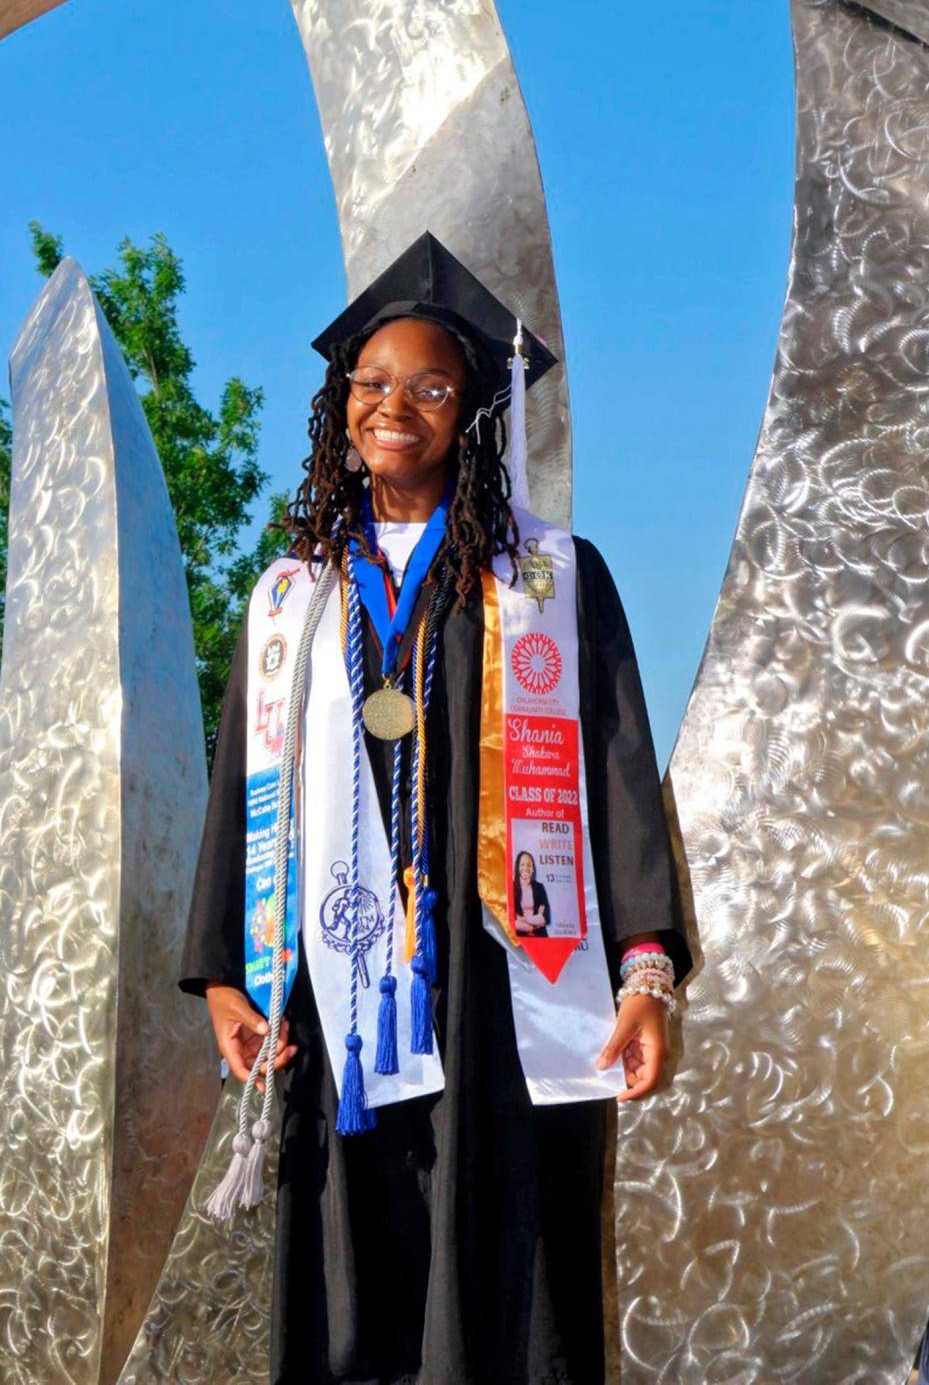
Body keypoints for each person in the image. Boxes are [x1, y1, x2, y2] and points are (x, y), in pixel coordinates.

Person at [180, 232, 692, 1385]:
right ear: (340, 407)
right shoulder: (291, 597)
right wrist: (228, 972)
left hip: (507, 988)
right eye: (371, 383)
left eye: (428, 384)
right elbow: (242, 793)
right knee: (349, 1280)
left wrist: (647, 968)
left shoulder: (550, 577)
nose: (393, 404)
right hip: (338, 988)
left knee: (507, 1273)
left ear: (471, 413)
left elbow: (617, 768)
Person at [513, 851, 550, 937]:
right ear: (517, 867)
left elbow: (546, 918)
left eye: (529, 865)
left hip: (540, 937)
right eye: (522, 865)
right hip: (519, 940)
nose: (526, 868)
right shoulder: (511, 888)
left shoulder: (539, 887)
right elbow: (511, 922)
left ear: (533, 868)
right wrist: (535, 922)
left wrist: (522, 919)